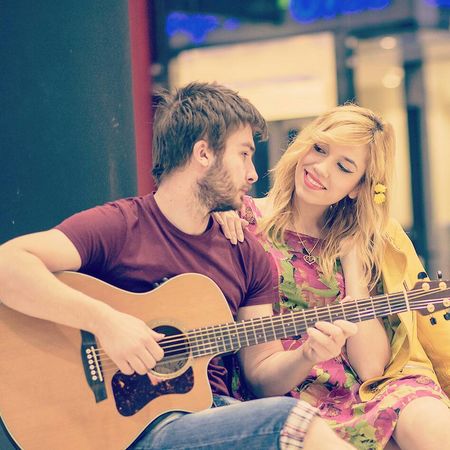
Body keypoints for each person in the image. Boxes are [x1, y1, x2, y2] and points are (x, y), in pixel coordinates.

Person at [0, 82, 357, 449]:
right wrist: (106, 322)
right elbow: (8, 264)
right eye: (243, 154)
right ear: (203, 153)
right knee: (291, 420)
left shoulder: (247, 255)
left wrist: (306, 356)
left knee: (289, 417)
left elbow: (262, 376)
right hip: (123, 431)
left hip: (205, 418)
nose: (253, 174)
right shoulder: (121, 225)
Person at [215, 104, 450, 450]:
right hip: (288, 395)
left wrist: (353, 263)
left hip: (360, 392)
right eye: (320, 148)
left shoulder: (363, 241)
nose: (320, 168)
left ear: (358, 187)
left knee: (431, 419)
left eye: (344, 167)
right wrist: (216, 209)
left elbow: (371, 369)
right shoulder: (242, 220)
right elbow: (259, 376)